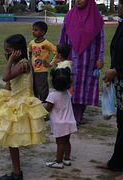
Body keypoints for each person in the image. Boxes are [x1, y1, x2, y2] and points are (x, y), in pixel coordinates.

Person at [0, 34, 48, 180]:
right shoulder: (16, 63)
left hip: (23, 103)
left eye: (8, 51)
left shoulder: (23, 63)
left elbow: (5, 77)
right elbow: (8, 85)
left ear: (17, 51)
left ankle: (17, 173)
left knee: (12, 141)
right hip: (15, 98)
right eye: (5, 50)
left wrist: (10, 60)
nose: (5, 53)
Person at [58, 0, 104, 125]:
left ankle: (79, 114)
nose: (78, 0)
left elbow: (101, 39)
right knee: (72, 85)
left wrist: (100, 58)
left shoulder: (97, 18)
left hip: (89, 60)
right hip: (71, 59)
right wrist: (60, 54)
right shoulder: (70, 15)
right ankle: (73, 115)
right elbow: (63, 36)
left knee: (85, 87)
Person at [97, 0, 123, 176]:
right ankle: (117, 161)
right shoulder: (122, 25)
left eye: (121, 3)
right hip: (121, 82)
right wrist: (112, 75)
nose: (118, 6)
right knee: (122, 124)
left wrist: (117, 71)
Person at [44, 67, 77, 169]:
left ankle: (59, 162)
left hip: (59, 124)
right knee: (67, 141)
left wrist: (41, 105)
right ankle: (66, 159)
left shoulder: (52, 95)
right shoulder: (67, 93)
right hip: (69, 121)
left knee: (60, 143)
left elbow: (48, 107)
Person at [28, 21, 56, 103]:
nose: (33, 31)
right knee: (34, 88)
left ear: (42, 32)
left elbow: (56, 52)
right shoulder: (32, 43)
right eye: (33, 29)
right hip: (32, 70)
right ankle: (36, 104)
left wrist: (50, 64)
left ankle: (44, 105)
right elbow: (29, 51)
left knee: (42, 89)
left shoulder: (46, 43)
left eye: (36, 30)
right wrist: (29, 61)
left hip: (42, 71)